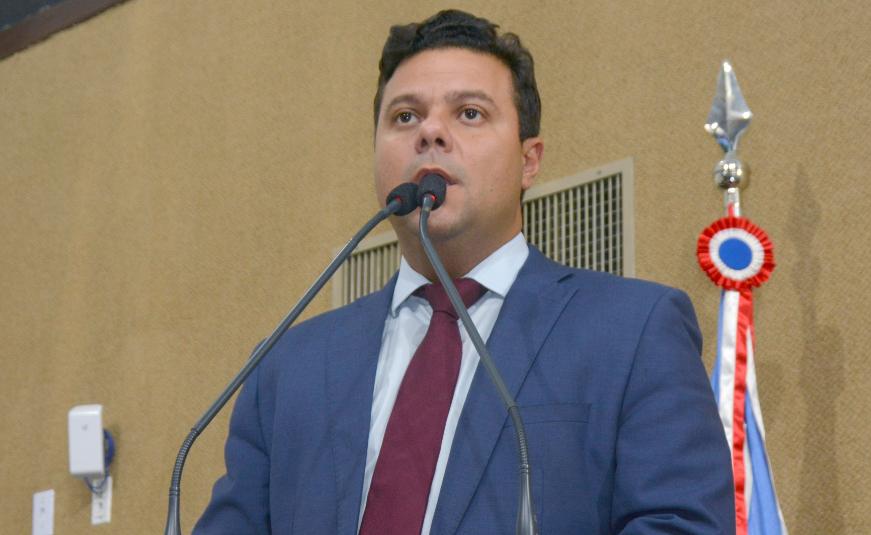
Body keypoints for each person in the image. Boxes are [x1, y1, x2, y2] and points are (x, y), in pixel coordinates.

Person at [195, 9, 734, 535]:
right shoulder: (285, 368)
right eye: (405, 117)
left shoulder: (634, 331)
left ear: (529, 161)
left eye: (470, 113)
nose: (430, 132)